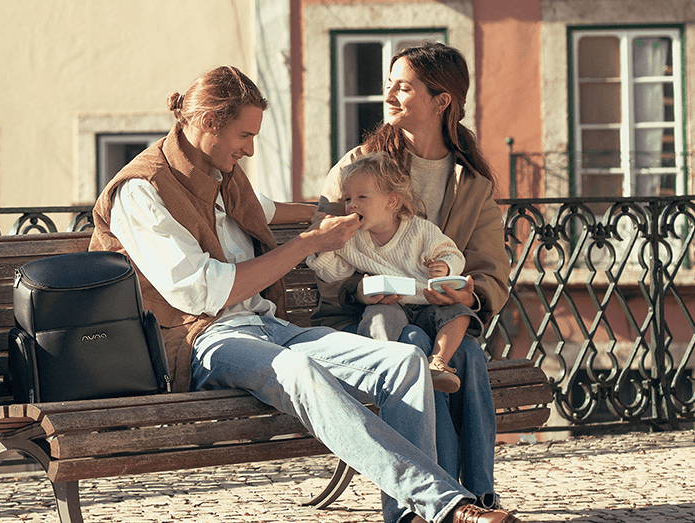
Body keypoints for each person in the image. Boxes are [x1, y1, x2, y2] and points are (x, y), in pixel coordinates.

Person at [90, 64, 519, 523]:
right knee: (301, 370)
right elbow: (202, 294)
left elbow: (268, 209)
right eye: (244, 136)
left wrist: (344, 217)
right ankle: (446, 506)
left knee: (405, 363)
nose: (250, 149)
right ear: (208, 122)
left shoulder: (221, 175)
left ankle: (406, 517)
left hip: (270, 327)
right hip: (204, 340)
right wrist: (309, 244)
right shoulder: (141, 191)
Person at [312, 42, 510, 510]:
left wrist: (467, 289)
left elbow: (490, 273)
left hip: (441, 314)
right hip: (372, 321)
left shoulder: (472, 181)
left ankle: (475, 493)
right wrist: (356, 290)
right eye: (389, 84)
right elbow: (323, 246)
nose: (390, 95)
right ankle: (439, 501)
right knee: (415, 356)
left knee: (469, 360)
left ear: (442, 101)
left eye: (404, 87)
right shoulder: (359, 167)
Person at [306, 152, 483, 394]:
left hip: (427, 303)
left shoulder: (420, 230)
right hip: (393, 304)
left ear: (391, 201)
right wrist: (321, 247)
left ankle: (438, 362)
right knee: (378, 315)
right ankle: (379, 367)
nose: (352, 205)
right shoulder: (353, 238)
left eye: (361, 197)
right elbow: (335, 272)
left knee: (460, 313)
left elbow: (452, 253)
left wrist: (445, 266)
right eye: (348, 199)